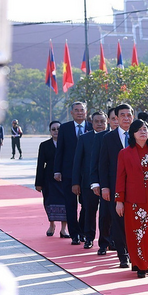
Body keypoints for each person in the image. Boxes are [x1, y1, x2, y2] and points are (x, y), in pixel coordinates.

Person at [115, 119, 148, 278]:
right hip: (134, 200)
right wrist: (119, 201)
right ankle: (139, 264)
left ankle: (147, 262)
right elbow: (120, 178)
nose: (143, 132)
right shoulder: (124, 153)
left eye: (145, 129)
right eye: (139, 130)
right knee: (137, 232)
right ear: (133, 133)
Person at [99, 104, 134, 268]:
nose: (126, 118)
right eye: (122, 115)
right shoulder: (108, 138)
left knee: (134, 221)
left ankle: (134, 253)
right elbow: (103, 164)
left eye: (129, 115)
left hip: (136, 188)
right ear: (117, 118)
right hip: (114, 187)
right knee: (118, 221)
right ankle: (122, 255)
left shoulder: (139, 135)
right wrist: (104, 186)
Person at [54, 101, 90, 246]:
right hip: (68, 172)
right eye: (76, 110)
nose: (79, 112)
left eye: (82, 110)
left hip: (86, 173)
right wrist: (57, 170)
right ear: (71, 113)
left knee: (86, 204)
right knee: (70, 204)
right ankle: (74, 234)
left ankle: (82, 231)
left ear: (86, 112)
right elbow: (60, 151)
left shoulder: (91, 126)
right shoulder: (65, 128)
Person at [72, 112, 107, 250]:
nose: (99, 124)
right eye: (96, 121)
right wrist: (76, 182)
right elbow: (77, 162)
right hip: (88, 181)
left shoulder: (111, 137)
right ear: (91, 123)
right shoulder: (84, 138)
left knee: (106, 214)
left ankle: (107, 239)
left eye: (102, 121)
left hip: (107, 182)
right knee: (89, 210)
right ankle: (89, 237)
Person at [35, 121, 68, 238]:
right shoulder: (44, 145)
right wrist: (38, 183)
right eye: (53, 129)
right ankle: (52, 225)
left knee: (65, 204)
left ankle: (64, 229)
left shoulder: (67, 144)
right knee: (49, 203)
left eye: (58, 129)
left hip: (64, 178)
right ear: (50, 131)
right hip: (48, 179)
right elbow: (40, 165)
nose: (56, 131)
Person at [91, 109, 117, 256]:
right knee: (105, 214)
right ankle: (103, 243)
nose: (115, 121)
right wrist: (95, 182)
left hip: (122, 183)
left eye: (117, 118)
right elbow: (95, 162)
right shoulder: (101, 137)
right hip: (105, 182)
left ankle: (116, 241)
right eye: (112, 118)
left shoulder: (128, 135)